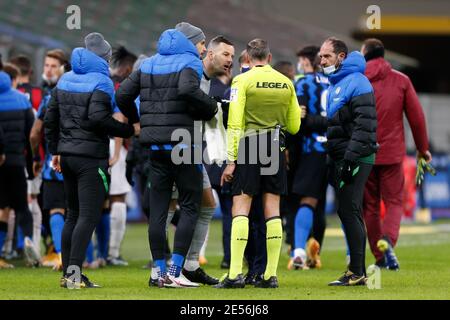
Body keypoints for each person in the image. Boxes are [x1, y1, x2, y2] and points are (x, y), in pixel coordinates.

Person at [115, 22, 218, 288]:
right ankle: (174, 272)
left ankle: (157, 272)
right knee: (191, 207)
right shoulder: (190, 62)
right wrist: (210, 108)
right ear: (190, 42)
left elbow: (123, 95)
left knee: (159, 212)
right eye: (201, 42)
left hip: (155, 147)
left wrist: (139, 121)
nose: (204, 48)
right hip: (183, 145)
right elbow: (187, 90)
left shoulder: (148, 63)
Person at [44, 32, 137, 288]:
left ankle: (68, 273)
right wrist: (129, 131)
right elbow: (98, 118)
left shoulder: (65, 79)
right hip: (90, 158)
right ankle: (74, 275)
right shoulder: (102, 81)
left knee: (72, 215)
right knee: (88, 215)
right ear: (104, 58)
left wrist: (56, 151)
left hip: (68, 156)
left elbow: (50, 120)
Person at [215, 38, 301, 289]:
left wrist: (231, 160)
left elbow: (235, 123)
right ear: (270, 57)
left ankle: (234, 275)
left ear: (249, 58)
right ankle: (270, 275)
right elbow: (294, 126)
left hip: (249, 145)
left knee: (240, 207)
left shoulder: (241, 81)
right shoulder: (286, 83)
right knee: (272, 209)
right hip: (275, 146)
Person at [361, 38, 431, 270]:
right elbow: (417, 118)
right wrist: (422, 149)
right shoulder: (401, 80)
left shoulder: (358, 81)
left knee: (369, 206)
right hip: (392, 153)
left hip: (364, 152)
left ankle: (380, 257)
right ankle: (388, 241)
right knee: (394, 202)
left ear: (365, 55)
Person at [320, 37, 378, 286]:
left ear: (341, 57)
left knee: (350, 210)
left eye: (327, 56)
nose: (322, 61)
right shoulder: (337, 82)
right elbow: (339, 126)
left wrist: (349, 159)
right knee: (347, 211)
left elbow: (364, 128)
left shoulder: (357, 82)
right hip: (342, 156)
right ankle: (356, 270)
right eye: (321, 57)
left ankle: (357, 271)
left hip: (355, 157)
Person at [180, 35, 235, 286]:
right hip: (177, 150)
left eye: (232, 56)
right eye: (226, 55)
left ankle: (188, 265)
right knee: (169, 208)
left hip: (189, 150)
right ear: (209, 54)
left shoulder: (205, 80)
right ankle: (168, 269)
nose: (230, 60)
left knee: (206, 204)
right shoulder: (190, 73)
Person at [291, 46, 329, 270]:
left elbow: (299, 121)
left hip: (312, 149)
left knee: (307, 201)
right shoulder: (338, 83)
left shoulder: (304, 83)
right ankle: (352, 257)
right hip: (338, 149)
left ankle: (297, 253)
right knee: (347, 206)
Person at [29, 60, 71, 270]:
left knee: (56, 211)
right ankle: (89, 257)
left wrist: (36, 157)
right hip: (84, 162)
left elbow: (35, 133)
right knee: (81, 212)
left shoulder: (49, 98)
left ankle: (63, 256)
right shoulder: (94, 94)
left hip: (53, 166)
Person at [0, 68, 40, 268]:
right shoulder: (21, 100)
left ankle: (0, 254)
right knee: (22, 207)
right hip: (17, 162)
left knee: (3, 209)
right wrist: (33, 161)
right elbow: (31, 134)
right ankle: (28, 243)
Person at [106, 46, 137, 267]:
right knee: (118, 199)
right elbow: (119, 121)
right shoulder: (122, 87)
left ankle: (93, 255)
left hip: (91, 146)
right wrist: (117, 152)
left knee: (95, 203)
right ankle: (112, 253)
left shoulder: (101, 82)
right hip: (113, 144)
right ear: (128, 69)